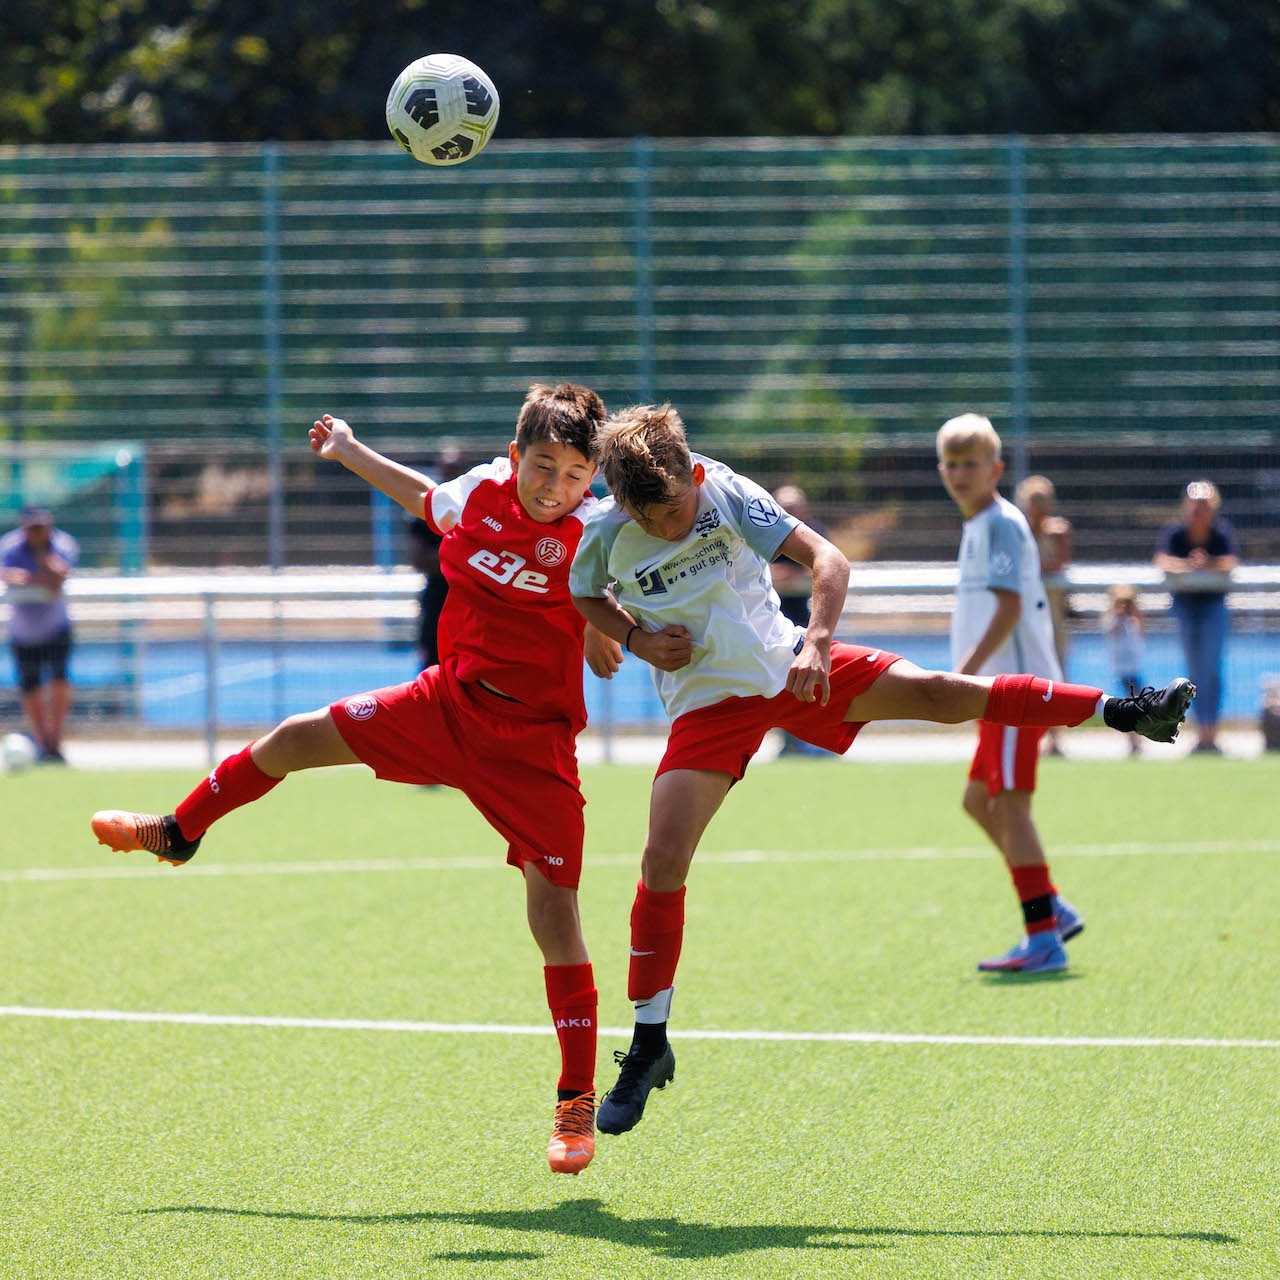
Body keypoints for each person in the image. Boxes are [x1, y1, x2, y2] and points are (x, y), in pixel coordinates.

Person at [569, 403, 1195, 1136]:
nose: (671, 526)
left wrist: (817, 642)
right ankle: (649, 1044)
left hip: (790, 666)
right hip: (708, 707)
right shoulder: (604, 534)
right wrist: (634, 639)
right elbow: (582, 592)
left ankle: (1125, 710)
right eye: (654, 520)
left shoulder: (724, 490)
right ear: (624, 506)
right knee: (661, 860)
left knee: (939, 693)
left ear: (693, 477)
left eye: (677, 510)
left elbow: (828, 561)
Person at [90, 383, 609, 1175]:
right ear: (515, 456)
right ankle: (178, 831)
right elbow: (426, 498)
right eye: (543, 465)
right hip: (445, 705)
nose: (555, 486)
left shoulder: (597, 534)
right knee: (294, 738)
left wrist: (612, 625)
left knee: (554, 918)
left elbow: (636, 584)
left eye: (574, 474)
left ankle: (575, 1104)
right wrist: (348, 450)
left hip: (531, 746)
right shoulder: (480, 493)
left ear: (592, 478)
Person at [938, 417, 1084, 974]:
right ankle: (1050, 905)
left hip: (1011, 693)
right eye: (951, 464)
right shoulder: (980, 523)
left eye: (970, 464)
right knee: (978, 802)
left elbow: (1008, 608)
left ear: (995, 470)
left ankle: (1043, 936)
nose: (959, 474)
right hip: (993, 693)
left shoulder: (999, 523)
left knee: (1010, 805)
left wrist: (961, 677)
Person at [1153, 480, 1240, 754]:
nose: (1198, 512)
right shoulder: (1175, 532)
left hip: (1214, 607)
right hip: (1185, 608)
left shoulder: (1221, 532)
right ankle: (1200, 731)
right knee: (1194, 673)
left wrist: (1207, 563)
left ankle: (1210, 732)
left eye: (1204, 507)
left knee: (1211, 671)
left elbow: (1230, 562)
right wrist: (1190, 565)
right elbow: (1162, 561)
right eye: (1194, 507)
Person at [1, 505, 79, 763]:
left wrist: (41, 554)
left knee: (59, 680)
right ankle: (43, 742)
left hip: (56, 628)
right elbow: (6, 575)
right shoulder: (10, 545)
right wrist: (36, 579)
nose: (37, 531)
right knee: (31, 686)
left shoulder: (62, 544)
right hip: (23, 631)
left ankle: (55, 742)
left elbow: (59, 577)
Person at [1014, 475, 1073, 756]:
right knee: (1026, 675)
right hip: (1023, 617)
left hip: (1053, 615)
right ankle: (1028, 736)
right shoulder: (1016, 533)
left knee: (1055, 673)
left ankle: (1054, 736)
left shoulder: (1058, 532)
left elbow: (1059, 564)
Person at [770, 485, 829, 757]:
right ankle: (789, 742)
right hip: (771, 622)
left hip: (806, 620)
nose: (789, 511)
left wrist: (793, 575)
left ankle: (820, 740)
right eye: (784, 506)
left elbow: (826, 566)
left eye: (794, 506)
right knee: (779, 686)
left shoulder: (813, 532)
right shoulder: (762, 531)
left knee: (814, 681)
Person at [405, 446, 466, 672]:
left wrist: (447, 558)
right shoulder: (427, 509)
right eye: (447, 469)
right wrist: (463, 558)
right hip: (437, 600)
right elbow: (418, 559)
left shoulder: (477, 508)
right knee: (432, 666)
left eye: (456, 469)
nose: (451, 475)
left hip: (470, 601)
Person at [1103, 585, 1146, 757]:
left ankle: (1137, 739)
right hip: (1121, 670)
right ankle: (1132, 740)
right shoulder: (1112, 619)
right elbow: (1112, 631)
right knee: (1126, 705)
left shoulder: (1133, 620)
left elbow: (1142, 630)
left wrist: (1133, 612)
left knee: (1137, 703)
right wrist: (1119, 615)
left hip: (1133, 669)